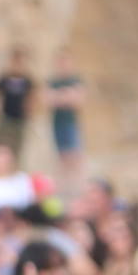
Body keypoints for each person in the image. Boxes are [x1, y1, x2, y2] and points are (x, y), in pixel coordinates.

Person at [46, 50, 85, 185]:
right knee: (60, 157)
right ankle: (64, 185)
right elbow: (48, 100)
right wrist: (66, 96)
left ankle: (76, 184)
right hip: (57, 124)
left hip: (70, 123)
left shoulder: (75, 80)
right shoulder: (53, 82)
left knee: (73, 155)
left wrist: (59, 97)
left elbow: (77, 100)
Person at [0, 47, 35, 160]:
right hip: (5, 117)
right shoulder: (4, 79)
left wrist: (29, 112)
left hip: (20, 119)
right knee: (1, 143)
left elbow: (31, 98)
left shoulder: (27, 81)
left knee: (18, 147)